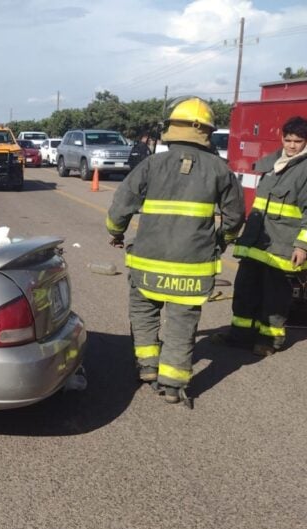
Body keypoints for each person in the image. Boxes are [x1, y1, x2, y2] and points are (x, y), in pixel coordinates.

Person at [106, 96, 244, 406]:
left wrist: (116, 232)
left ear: (171, 129)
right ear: (207, 132)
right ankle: (172, 385)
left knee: (143, 312)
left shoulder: (151, 164)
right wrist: (221, 240)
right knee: (183, 321)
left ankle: (147, 366)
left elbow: (120, 207)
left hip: (147, 262)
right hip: (193, 267)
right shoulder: (221, 170)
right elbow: (235, 219)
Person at [218, 116, 307, 356]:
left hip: (282, 247)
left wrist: (301, 246)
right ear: (281, 137)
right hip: (256, 244)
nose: (291, 145)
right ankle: (240, 336)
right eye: (288, 140)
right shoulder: (273, 166)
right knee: (246, 290)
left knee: (274, 297)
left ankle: (268, 341)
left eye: (297, 141)